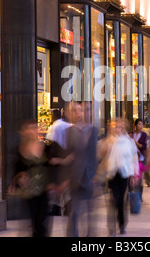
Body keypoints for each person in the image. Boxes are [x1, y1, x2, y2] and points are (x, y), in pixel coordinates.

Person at [11, 119, 58, 237]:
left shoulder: (47, 146)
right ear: (25, 131)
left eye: (35, 127)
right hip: (29, 190)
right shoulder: (20, 149)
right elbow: (17, 168)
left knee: (42, 220)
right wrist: (20, 177)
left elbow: (52, 164)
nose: (34, 130)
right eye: (31, 128)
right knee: (32, 220)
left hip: (44, 188)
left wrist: (54, 182)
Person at [65, 101, 98, 237]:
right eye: (79, 110)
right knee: (75, 213)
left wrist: (97, 176)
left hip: (90, 177)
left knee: (90, 216)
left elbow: (95, 155)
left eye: (86, 110)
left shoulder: (94, 131)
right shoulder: (69, 132)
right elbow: (67, 154)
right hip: (75, 177)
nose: (82, 113)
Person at [106, 118, 139, 235]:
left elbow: (134, 158)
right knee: (114, 199)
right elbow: (103, 157)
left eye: (119, 127)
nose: (117, 129)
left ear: (123, 128)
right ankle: (112, 225)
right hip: (112, 174)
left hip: (124, 174)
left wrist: (134, 174)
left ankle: (121, 223)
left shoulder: (129, 142)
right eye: (115, 127)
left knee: (121, 200)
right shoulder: (109, 141)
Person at [46, 106, 72, 216]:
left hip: (57, 155)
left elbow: (50, 140)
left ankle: (56, 207)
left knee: (56, 181)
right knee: (65, 183)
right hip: (66, 154)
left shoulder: (53, 127)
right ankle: (67, 206)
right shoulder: (68, 125)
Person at [130, 119, 148, 201]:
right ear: (135, 125)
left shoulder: (144, 135)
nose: (141, 126)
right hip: (131, 159)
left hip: (141, 158)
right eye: (139, 124)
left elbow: (143, 146)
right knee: (131, 176)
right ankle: (131, 193)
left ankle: (139, 195)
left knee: (140, 178)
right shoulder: (131, 134)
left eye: (142, 124)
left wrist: (135, 142)